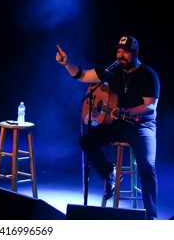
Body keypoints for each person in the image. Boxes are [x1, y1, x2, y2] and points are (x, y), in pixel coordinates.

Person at [55, 36, 160, 220]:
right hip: (117, 124)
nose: (121, 55)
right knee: (87, 141)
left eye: (125, 52)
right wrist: (67, 63)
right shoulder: (113, 70)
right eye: (119, 51)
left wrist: (125, 111)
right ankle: (109, 173)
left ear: (135, 53)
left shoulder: (148, 75)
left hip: (141, 125)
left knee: (147, 167)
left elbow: (150, 107)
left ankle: (152, 218)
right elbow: (83, 75)